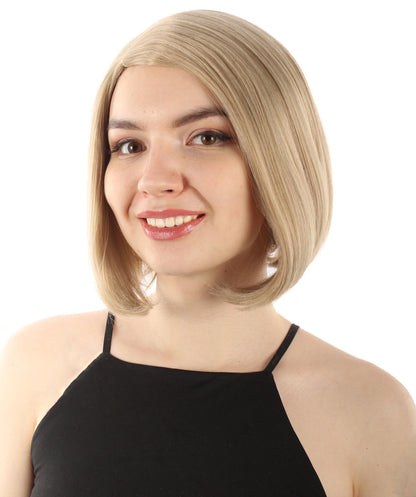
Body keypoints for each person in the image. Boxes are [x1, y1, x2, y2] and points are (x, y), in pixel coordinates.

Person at [0, 9, 415, 497]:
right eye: (129, 145)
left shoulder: (371, 411)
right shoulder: (36, 364)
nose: (155, 180)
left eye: (207, 137)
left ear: (282, 159)